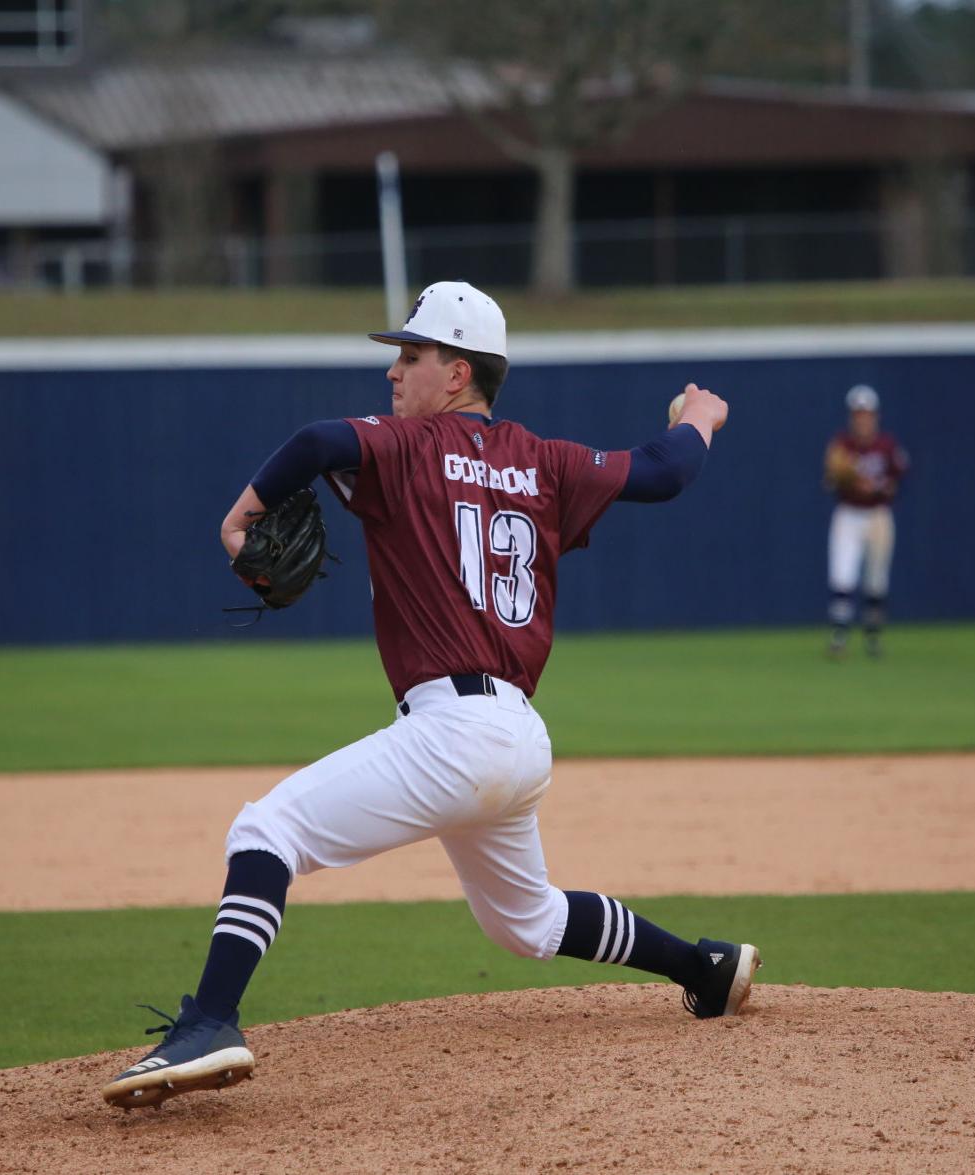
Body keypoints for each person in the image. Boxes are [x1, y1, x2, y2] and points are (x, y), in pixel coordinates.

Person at [102, 281, 759, 1111]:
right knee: (524, 922)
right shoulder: (546, 460)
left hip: (454, 731)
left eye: (409, 356)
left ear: (457, 372)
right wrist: (697, 415)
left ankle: (210, 1020)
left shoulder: (405, 451)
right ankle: (703, 968)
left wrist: (241, 518)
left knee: (266, 827)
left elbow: (313, 440)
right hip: (518, 736)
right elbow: (664, 473)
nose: (393, 373)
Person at [823, 384, 910, 658]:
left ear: (875, 416)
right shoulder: (842, 445)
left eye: (867, 413)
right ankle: (839, 637)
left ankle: (873, 637)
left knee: (876, 579)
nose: (863, 418)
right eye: (858, 413)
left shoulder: (886, 446)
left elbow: (897, 479)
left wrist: (874, 486)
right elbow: (829, 479)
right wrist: (844, 477)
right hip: (848, 513)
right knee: (842, 575)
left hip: (877, 515)